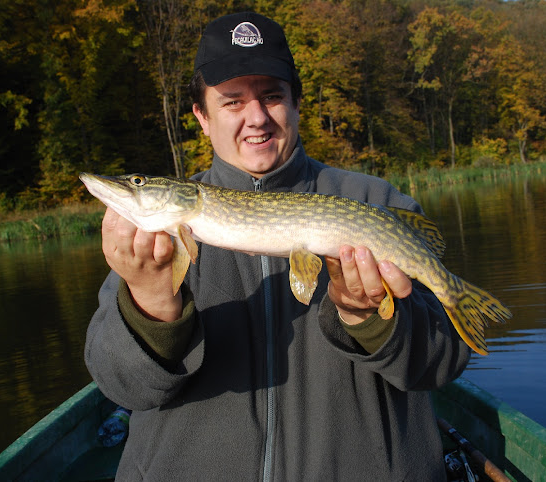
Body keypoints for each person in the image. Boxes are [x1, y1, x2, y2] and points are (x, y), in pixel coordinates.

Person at [85, 11, 470, 481]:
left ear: (296, 103)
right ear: (202, 117)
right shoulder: (152, 244)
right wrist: (150, 303)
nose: (257, 118)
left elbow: (442, 361)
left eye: (271, 96)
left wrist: (368, 318)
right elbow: (122, 386)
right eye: (232, 102)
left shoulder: (376, 202)